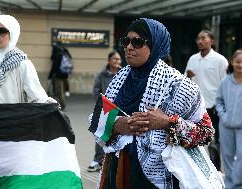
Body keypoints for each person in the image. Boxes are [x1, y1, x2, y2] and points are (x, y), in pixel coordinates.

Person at [89, 18, 214, 189]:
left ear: (155, 45)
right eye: (126, 41)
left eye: (137, 42)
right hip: (118, 170)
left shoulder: (178, 85)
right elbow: (97, 119)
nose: (129, 47)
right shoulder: (119, 79)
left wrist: (168, 123)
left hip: (159, 176)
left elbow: (206, 132)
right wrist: (118, 124)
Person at [185, 30, 228, 171]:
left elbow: (226, 83)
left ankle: (217, 169)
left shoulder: (220, 60)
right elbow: (185, 81)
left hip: (214, 106)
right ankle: (201, 169)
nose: (200, 41)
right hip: (196, 107)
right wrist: (188, 76)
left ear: (212, 41)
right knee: (197, 139)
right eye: (198, 38)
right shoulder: (192, 59)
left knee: (216, 140)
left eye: (203, 38)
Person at [87, 51, 122, 172]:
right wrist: (103, 103)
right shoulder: (101, 75)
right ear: (109, 61)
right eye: (114, 59)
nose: (117, 61)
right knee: (101, 134)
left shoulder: (124, 73)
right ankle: (98, 160)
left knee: (118, 136)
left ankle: (112, 162)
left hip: (120, 110)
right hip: (104, 109)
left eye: (119, 59)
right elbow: (96, 92)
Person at [216, 49, 242, 189]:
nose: (240, 65)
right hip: (225, 125)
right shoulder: (225, 81)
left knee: (241, 156)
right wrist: (224, 116)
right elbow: (219, 101)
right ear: (232, 62)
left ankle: (238, 184)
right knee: (227, 156)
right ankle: (229, 184)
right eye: (238, 62)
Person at [48, 43, 73, 110]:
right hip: (64, 74)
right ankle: (65, 96)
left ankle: (63, 105)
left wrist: (50, 76)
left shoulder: (57, 56)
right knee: (62, 89)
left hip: (58, 76)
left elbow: (54, 67)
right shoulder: (63, 54)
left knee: (59, 91)